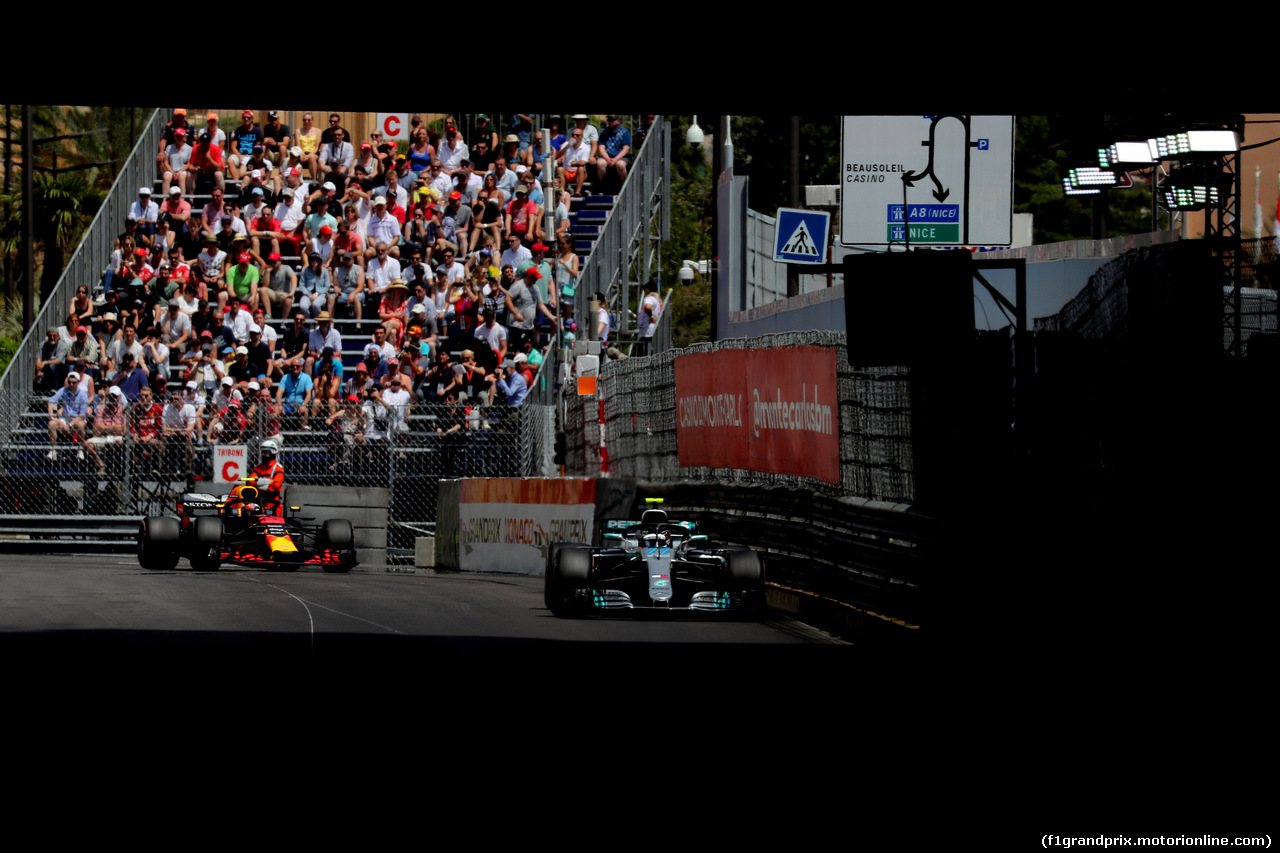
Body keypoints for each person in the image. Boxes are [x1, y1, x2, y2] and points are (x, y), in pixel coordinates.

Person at [46, 372, 90, 460]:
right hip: (64, 419)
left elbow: (81, 415)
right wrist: (51, 416)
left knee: (80, 425)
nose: (71, 384)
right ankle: (53, 450)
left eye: (74, 382)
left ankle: (80, 449)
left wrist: (70, 425)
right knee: (52, 424)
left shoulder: (83, 395)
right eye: (69, 382)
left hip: (76, 420)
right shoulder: (63, 390)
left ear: (78, 382)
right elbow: (51, 401)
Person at [248, 439, 285, 515]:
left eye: (266, 452)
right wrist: (267, 483)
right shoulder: (258, 468)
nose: (263, 455)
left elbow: (276, 485)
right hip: (258, 501)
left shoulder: (278, 468)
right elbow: (251, 482)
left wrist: (259, 484)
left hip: (273, 502)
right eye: (263, 452)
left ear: (273, 452)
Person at [595, 115, 632, 191]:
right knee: (600, 163)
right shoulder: (603, 132)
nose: (610, 122)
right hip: (607, 157)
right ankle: (602, 187)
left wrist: (615, 159)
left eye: (612, 120)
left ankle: (623, 187)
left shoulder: (624, 132)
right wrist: (608, 159)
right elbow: (601, 148)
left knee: (620, 165)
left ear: (618, 121)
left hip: (621, 157)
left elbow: (626, 148)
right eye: (608, 120)